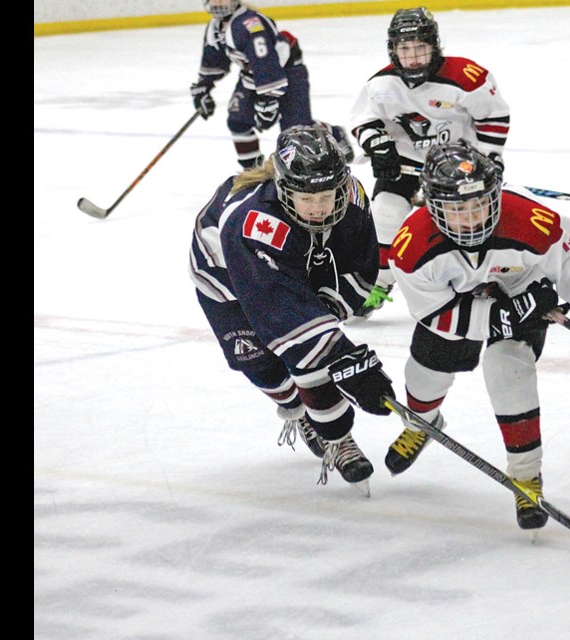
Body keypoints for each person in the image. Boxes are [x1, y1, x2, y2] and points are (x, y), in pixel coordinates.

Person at [384, 141, 570, 529]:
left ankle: (526, 475)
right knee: (425, 372)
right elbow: (437, 314)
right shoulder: (412, 247)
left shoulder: (531, 219)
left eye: (480, 204)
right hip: (461, 305)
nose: (472, 218)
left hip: (522, 290)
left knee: (508, 367)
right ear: (432, 207)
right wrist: (501, 317)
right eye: (458, 210)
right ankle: (421, 424)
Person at [188, 124, 397, 494]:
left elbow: (361, 269)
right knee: (264, 364)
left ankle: (337, 437)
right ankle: (298, 411)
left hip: (296, 264)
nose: (319, 208)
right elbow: (286, 320)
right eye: (307, 199)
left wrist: (335, 338)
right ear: (284, 189)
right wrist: (342, 355)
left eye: (327, 196)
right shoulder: (254, 223)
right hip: (227, 279)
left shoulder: (352, 199)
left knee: (311, 348)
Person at [348, 6, 510, 318]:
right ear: (393, 51)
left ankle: (486, 279)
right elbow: (364, 121)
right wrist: (380, 147)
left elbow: (494, 117)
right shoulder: (381, 85)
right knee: (384, 215)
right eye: (404, 49)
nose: (413, 57)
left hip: (458, 166)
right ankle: (377, 285)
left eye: (420, 48)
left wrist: (489, 158)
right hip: (406, 163)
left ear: (434, 46)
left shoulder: (466, 77)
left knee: (469, 222)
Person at [190, 0, 353, 169]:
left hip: (288, 72)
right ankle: (252, 171)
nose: (218, 2)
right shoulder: (214, 28)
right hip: (254, 77)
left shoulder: (249, 24)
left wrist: (268, 99)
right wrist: (203, 88)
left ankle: (333, 133)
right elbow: (214, 61)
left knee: (296, 132)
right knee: (238, 122)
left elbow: (265, 62)